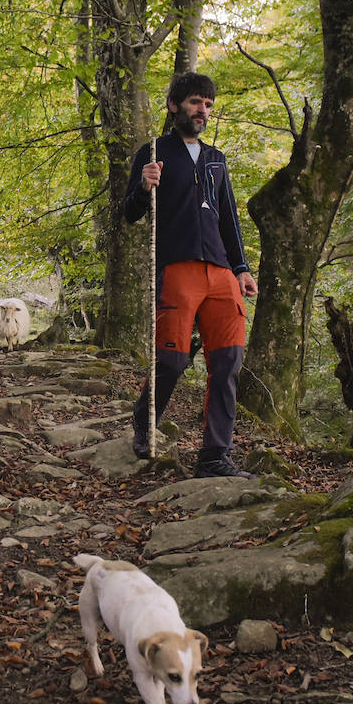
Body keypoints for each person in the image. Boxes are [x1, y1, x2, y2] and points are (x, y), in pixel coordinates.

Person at [121, 72, 259, 478]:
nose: (203, 111)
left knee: (228, 361)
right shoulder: (153, 151)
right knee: (172, 359)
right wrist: (143, 188)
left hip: (221, 273)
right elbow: (128, 213)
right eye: (197, 102)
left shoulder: (217, 159)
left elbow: (229, 219)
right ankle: (145, 421)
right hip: (177, 267)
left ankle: (215, 456)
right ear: (174, 106)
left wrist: (242, 269)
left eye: (209, 105)